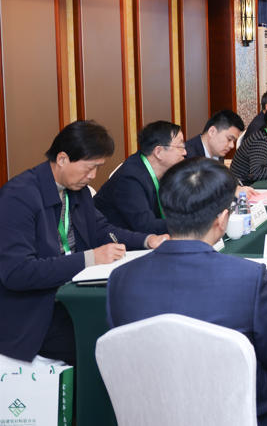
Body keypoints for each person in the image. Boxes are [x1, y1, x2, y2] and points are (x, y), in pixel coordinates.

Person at [107, 158, 267, 426]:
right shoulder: (249, 277)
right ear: (222, 219)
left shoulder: (120, 279)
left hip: (154, 408)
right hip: (234, 409)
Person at [0, 121, 167, 364]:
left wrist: (147, 240)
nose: (93, 176)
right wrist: (89, 259)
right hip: (33, 312)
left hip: (69, 293)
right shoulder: (19, 196)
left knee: (133, 323)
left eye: (98, 168)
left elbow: (101, 230)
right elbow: (17, 273)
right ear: (62, 159)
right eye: (90, 168)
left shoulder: (76, 190)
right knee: (105, 344)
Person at [95, 121, 187, 235]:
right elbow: (146, 226)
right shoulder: (130, 178)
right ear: (158, 152)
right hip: (115, 242)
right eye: (180, 147)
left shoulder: (165, 172)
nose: (185, 152)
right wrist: (190, 224)